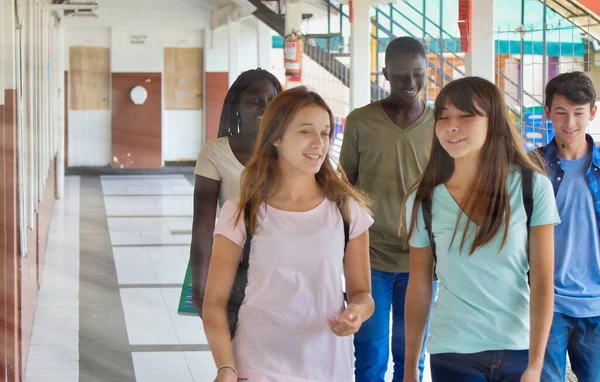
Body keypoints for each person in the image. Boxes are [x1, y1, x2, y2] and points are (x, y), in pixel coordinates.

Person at [202, 87, 375, 382]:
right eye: (306, 132)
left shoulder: (348, 212)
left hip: (329, 367)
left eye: (325, 133)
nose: (319, 144)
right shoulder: (241, 213)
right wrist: (226, 366)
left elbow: (363, 294)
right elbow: (214, 302)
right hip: (257, 363)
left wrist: (356, 313)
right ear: (276, 138)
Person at [403, 77, 559, 382]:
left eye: (466, 115)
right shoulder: (424, 199)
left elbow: (543, 280)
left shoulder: (531, 187)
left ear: (494, 122)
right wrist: (410, 369)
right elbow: (420, 284)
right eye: (443, 116)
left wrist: (536, 365)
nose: (451, 126)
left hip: (518, 348)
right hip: (453, 350)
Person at [339, 36, 436, 381]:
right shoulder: (361, 122)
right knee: (369, 355)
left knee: (411, 357)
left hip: (422, 260)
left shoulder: (442, 124)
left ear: (428, 70)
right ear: (384, 74)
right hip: (370, 259)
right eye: (399, 76)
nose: (409, 83)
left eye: (417, 74)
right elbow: (345, 187)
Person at [190, 68, 282, 314]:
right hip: (235, 270)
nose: (264, 108)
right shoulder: (215, 153)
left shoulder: (291, 149)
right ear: (236, 106)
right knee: (235, 347)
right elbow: (203, 227)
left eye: (271, 101)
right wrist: (198, 287)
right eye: (253, 101)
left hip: (285, 269)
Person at [535, 72, 600, 382]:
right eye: (560, 112)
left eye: (578, 112)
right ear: (547, 112)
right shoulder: (531, 168)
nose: (569, 122)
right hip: (549, 303)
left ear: (592, 112)